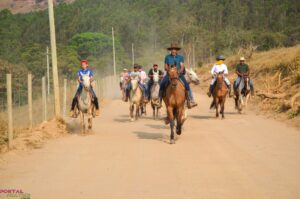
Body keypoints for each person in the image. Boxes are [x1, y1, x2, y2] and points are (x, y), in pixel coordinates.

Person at [159, 43, 197, 109]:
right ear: (170, 50)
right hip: (169, 74)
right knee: (162, 84)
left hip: (179, 75)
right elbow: (165, 66)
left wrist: (179, 71)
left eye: (175, 49)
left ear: (177, 50)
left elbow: (182, 66)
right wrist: (169, 70)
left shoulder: (180, 57)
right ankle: (159, 101)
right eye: (172, 49)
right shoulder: (167, 57)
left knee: (186, 85)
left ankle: (189, 100)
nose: (173, 50)